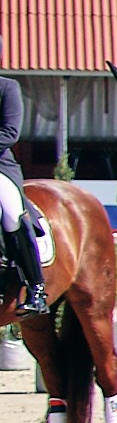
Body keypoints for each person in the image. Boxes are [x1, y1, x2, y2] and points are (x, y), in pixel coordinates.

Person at [0, 48, 40, 309]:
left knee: (12, 211)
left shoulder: (7, 88)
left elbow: (10, 132)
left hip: (0, 167)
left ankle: (36, 286)